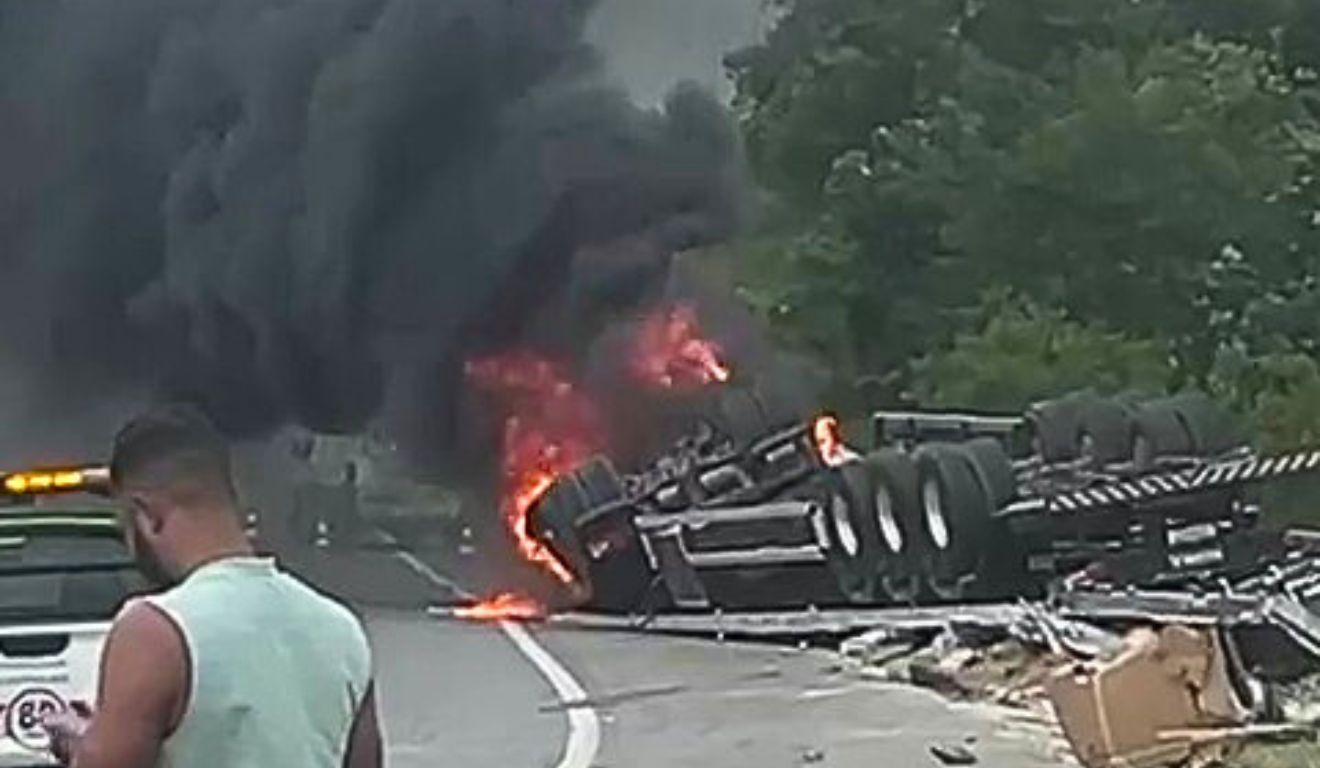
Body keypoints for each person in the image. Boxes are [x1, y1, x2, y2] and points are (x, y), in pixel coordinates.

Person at [43, 404, 383, 768]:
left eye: (125, 527)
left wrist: (79, 745)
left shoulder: (155, 631)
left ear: (149, 517)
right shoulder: (342, 629)